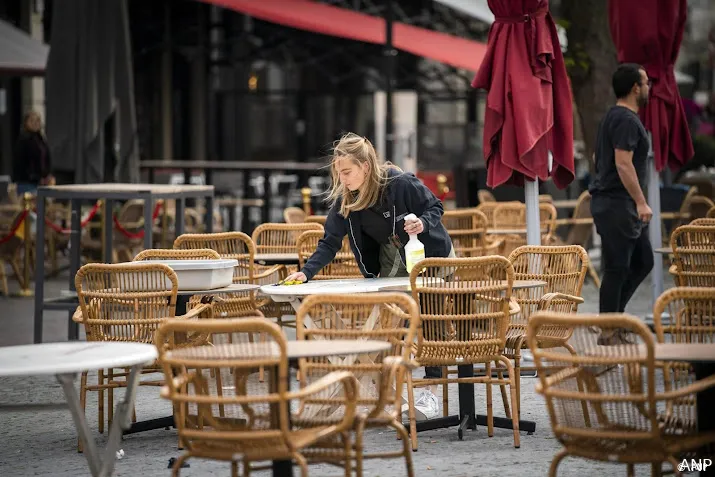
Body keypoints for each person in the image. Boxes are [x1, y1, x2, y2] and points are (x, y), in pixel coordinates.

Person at [284, 132, 454, 419]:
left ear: (365, 166)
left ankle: (431, 392)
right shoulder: (346, 199)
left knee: (429, 316)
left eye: (347, 172)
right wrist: (306, 273)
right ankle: (387, 391)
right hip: (392, 258)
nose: (343, 179)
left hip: (429, 254)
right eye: (338, 173)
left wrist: (422, 224)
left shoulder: (400, 184)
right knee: (387, 321)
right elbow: (329, 242)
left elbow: (436, 206)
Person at [589, 63, 654, 344]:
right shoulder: (626, 120)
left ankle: (615, 320)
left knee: (642, 261)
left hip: (614, 202)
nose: (649, 88)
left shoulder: (611, 117)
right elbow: (623, 163)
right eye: (646, 83)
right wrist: (641, 201)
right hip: (618, 204)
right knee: (617, 268)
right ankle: (608, 330)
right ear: (635, 88)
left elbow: (596, 159)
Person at [13, 111, 54, 195]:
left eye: (37, 121)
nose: (35, 123)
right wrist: (36, 178)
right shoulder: (23, 140)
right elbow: (21, 164)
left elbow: (46, 159)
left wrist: (48, 175)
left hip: (42, 183)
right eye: (32, 121)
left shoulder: (41, 139)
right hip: (27, 183)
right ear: (26, 123)